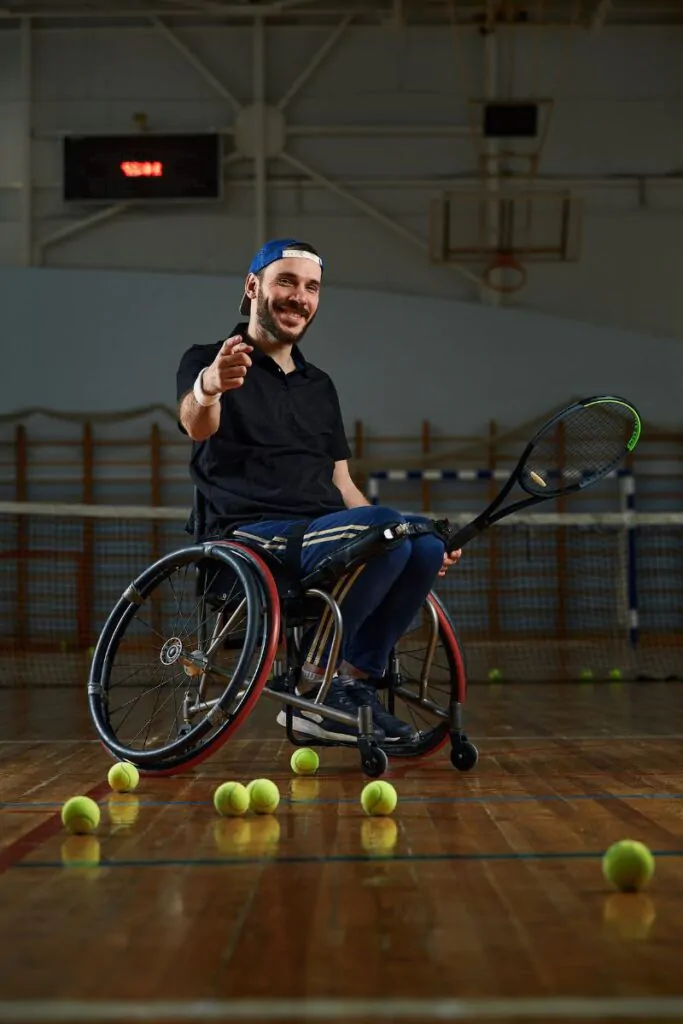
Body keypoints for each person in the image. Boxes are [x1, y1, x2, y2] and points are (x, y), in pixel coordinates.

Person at [176, 238, 461, 744]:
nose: (299, 297)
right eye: (285, 281)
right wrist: (211, 386)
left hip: (325, 531)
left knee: (422, 541)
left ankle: (351, 683)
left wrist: (417, 534)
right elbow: (197, 425)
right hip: (252, 537)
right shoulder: (209, 359)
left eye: (311, 287)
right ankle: (313, 687)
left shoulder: (319, 385)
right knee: (386, 532)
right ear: (252, 288)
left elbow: (342, 482)